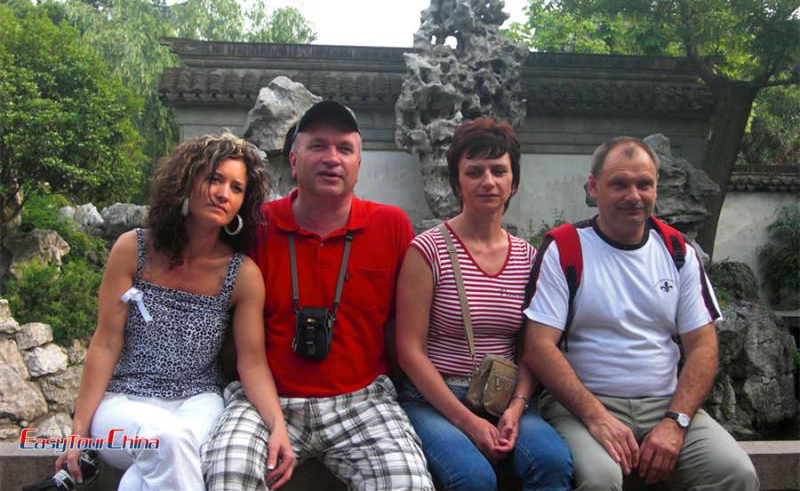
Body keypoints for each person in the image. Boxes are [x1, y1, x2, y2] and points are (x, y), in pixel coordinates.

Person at [201, 100, 434, 490]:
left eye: (345, 149)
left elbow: (402, 328)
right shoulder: (258, 227)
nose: (332, 158)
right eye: (318, 146)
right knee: (228, 473)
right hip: (265, 398)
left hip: (362, 401)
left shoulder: (391, 226)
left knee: (407, 482)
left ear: (359, 164)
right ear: (293, 159)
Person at [54, 133, 295, 489]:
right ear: (186, 181)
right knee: (168, 440)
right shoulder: (133, 249)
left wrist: (277, 426)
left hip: (199, 402)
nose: (223, 193)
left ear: (243, 203)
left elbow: (252, 361)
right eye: (213, 179)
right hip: (123, 404)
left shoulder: (242, 275)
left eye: (236, 187)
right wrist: (78, 432)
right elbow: (105, 343)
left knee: (148, 470)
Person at [524, 136, 759, 490]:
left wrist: (676, 421)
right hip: (582, 405)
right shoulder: (565, 249)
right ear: (593, 186)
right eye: (619, 183)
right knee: (600, 479)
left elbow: (703, 346)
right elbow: (539, 346)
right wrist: (596, 416)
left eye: (643, 184)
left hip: (665, 402)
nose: (633, 196)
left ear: (655, 188)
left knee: (735, 472)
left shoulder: (678, 250)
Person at [395, 118, 573, 491]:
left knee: (552, 462)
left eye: (499, 171)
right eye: (474, 171)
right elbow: (409, 351)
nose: (488, 181)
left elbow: (531, 348)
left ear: (514, 182)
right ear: (457, 183)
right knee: (472, 477)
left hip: (504, 397)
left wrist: (516, 407)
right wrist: (467, 421)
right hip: (435, 398)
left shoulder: (529, 258)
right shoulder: (427, 251)